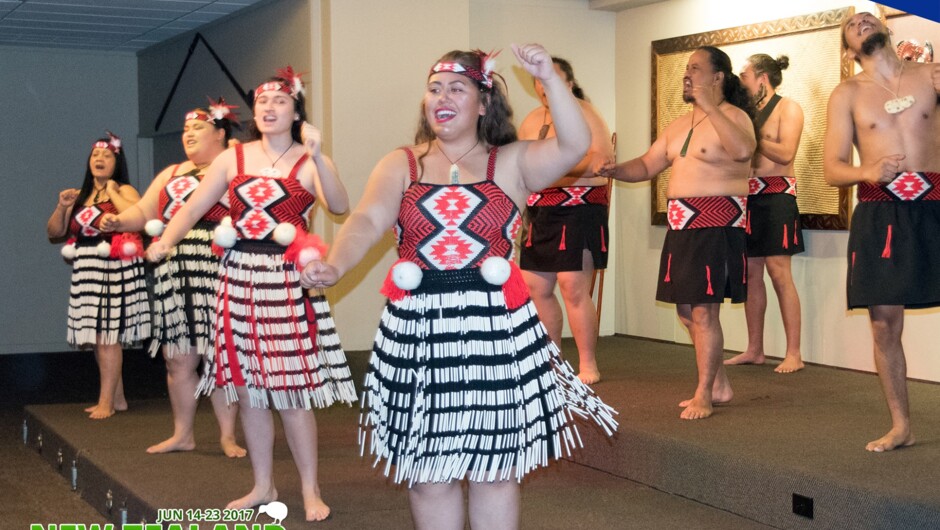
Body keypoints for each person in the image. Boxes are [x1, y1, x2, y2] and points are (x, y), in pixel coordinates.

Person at [300, 45, 617, 529]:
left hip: (496, 329)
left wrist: (551, 79)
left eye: (456, 88)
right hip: (418, 330)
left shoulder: (512, 162)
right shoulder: (401, 164)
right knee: (429, 472)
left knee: (493, 470)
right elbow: (365, 219)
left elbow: (576, 146)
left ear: (483, 103)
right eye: (433, 89)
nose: (441, 97)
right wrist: (336, 264)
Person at [146, 68, 355, 520]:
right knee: (248, 388)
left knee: (290, 391)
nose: (269, 108)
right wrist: (166, 240)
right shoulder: (233, 159)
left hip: (288, 277)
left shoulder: (307, 158)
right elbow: (194, 206)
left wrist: (318, 157)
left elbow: (340, 206)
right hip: (238, 274)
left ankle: (309, 488)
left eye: (280, 101)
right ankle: (262, 485)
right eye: (262, 102)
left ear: (296, 110)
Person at [599, 46, 755, 420]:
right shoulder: (678, 125)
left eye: (696, 69)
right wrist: (615, 169)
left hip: (717, 225)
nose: (687, 75)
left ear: (718, 78)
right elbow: (648, 165)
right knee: (688, 312)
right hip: (682, 226)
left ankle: (704, 393)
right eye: (686, 68)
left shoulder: (735, 117)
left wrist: (712, 107)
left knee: (704, 311)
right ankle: (719, 383)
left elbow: (743, 150)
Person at [100, 101, 246, 457]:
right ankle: (183, 433)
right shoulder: (172, 172)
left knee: (220, 356)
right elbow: (146, 210)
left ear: (221, 134)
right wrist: (120, 221)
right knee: (178, 357)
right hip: (175, 270)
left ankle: (228, 435)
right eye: (185, 131)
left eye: (197, 129)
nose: (189, 135)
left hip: (220, 266)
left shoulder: (236, 170)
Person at [823, 12, 940, 452]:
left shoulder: (930, 74)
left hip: (936, 204)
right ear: (848, 49)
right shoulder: (847, 93)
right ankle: (902, 425)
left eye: (868, 18)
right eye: (852, 25)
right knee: (883, 325)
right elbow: (831, 168)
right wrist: (867, 169)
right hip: (880, 212)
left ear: (887, 29)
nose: (861, 22)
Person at [518, 57, 614, 385]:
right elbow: (521, 165)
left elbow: (600, 161)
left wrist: (553, 168)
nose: (544, 86)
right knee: (535, 286)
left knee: (573, 285)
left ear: (568, 84)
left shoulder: (585, 113)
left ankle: (588, 364)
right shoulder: (532, 119)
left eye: (552, 79)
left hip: (580, 207)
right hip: (540, 211)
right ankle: (552, 359)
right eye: (540, 81)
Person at [46, 132, 151, 420]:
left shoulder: (126, 190)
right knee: (97, 335)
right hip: (87, 266)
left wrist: (114, 191)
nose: (100, 159)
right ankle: (118, 399)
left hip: (113, 266)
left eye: (106, 155)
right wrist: (63, 207)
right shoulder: (80, 197)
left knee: (107, 335)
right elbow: (54, 233)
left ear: (117, 161)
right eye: (95, 155)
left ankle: (106, 401)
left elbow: (138, 217)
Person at [724, 54, 805, 374]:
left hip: (777, 196)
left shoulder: (789, 108)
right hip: (748, 197)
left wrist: (753, 135)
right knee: (751, 274)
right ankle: (755, 348)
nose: (740, 80)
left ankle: (794, 353)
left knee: (779, 272)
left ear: (762, 78)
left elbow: (786, 153)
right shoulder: (745, 113)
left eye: (744, 75)